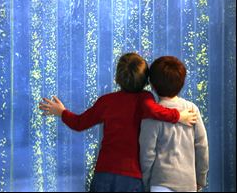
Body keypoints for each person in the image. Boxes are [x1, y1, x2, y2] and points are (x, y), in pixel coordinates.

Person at [39, 52, 197, 192]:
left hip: (103, 173)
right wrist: (179, 116)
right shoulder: (144, 98)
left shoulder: (106, 101)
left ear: (117, 77)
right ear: (145, 80)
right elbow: (155, 111)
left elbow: (79, 123)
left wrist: (62, 112)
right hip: (131, 177)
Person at [139, 56, 209, 192]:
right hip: (188, 183)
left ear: (152, 84)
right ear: (182, 82)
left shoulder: (151, 115)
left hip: (160, 183)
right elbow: (202, 147)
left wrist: (146, 182)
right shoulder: (192, 109)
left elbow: (147, 154)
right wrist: (200, 178)